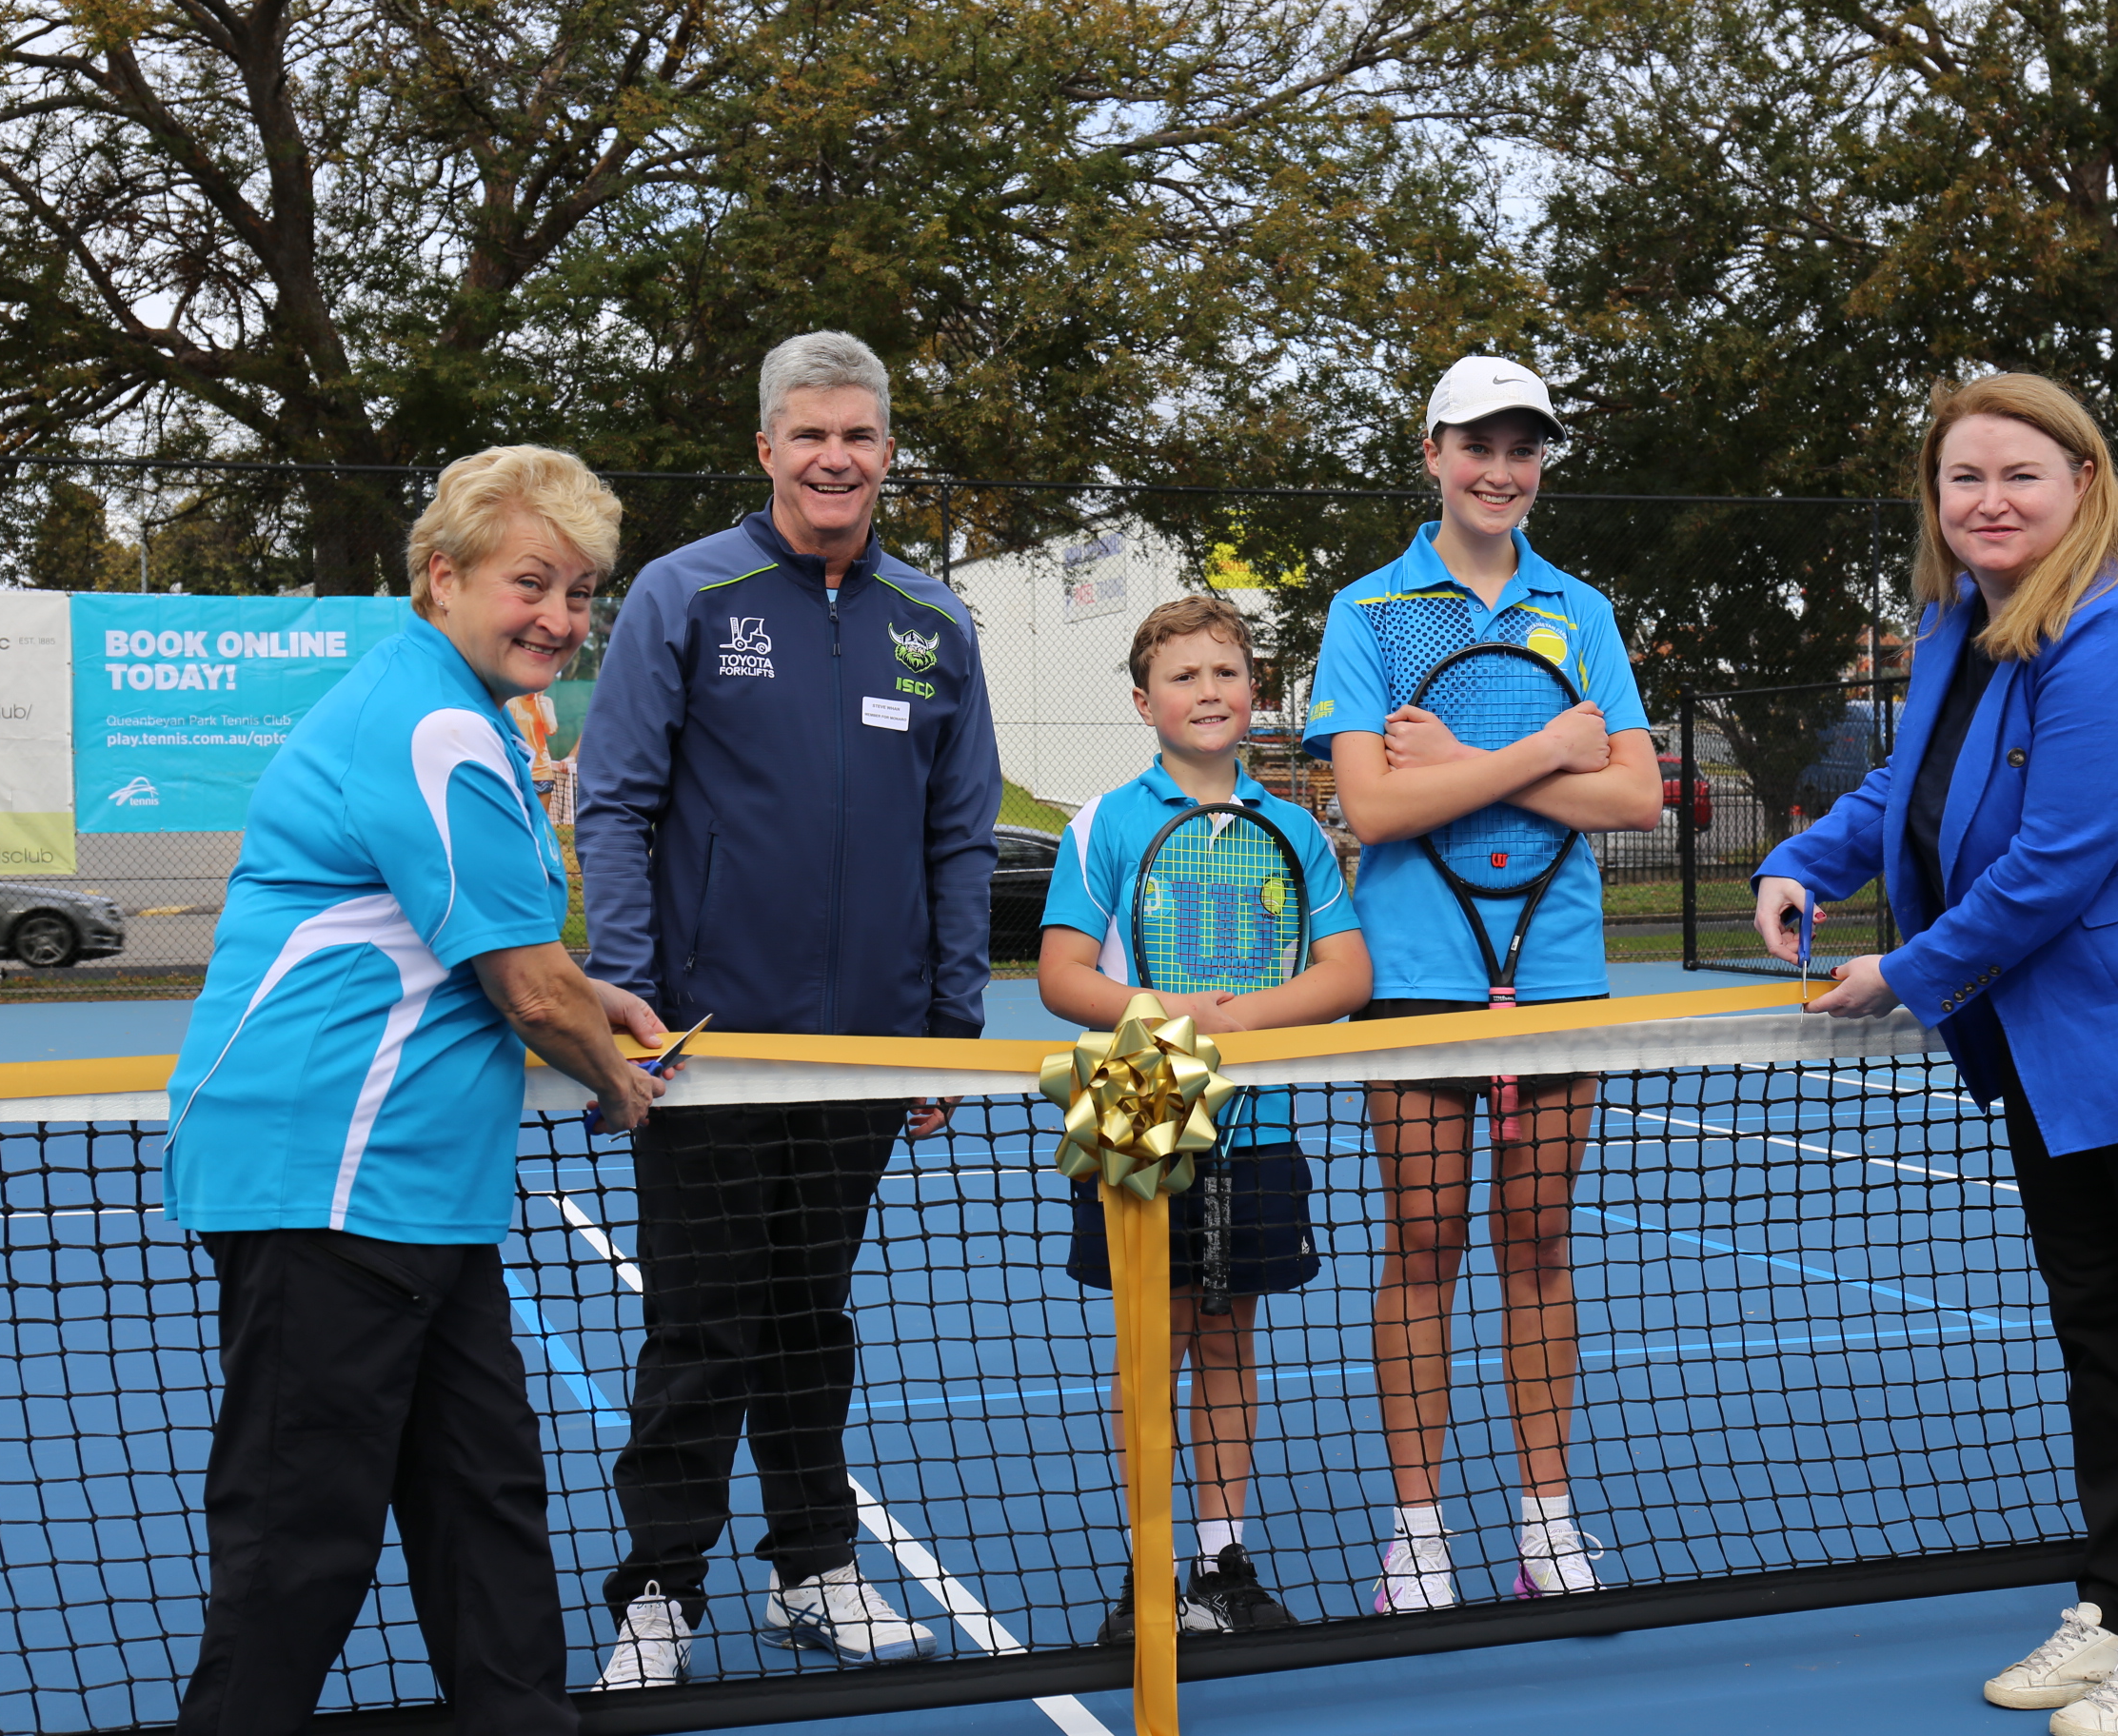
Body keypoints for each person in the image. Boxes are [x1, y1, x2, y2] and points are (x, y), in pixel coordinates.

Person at [1752, 374, 2118, 1736]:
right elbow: (1902, 788)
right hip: (2065, 1058)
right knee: (2106, 1342)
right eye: (1964, 479)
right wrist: (1804, 860)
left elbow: (2057, 863)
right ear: (1935, 500)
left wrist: (1899, 971)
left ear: (2085, 480)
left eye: (2021, 473)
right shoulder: (1960, 621)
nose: (1990, 501)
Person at [162, 446, 675, 1735]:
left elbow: (515, 955)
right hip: (331, 1179)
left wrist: (588, 1000)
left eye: (581, 591)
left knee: (480, 1492)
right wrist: (617, 1079)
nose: (561, 618)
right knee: (301, 1538)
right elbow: (527, 990)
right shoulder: (433, 718)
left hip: (417, 1197)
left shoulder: (452, 709)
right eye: (531, 583)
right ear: (441, 577)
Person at [575, 331, 1000, 1685]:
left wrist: (946, 1025)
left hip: (863, 1050)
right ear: (766, 448)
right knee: (701, 1323)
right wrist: (636, 995)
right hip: (703, 1050)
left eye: (859, 436)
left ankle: (814, 1567)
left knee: (814, 1315)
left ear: (887, 453)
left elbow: (960, 835)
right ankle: (661, 1590)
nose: (835, 458)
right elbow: (620, 800)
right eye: (809, 434)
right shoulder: (683, 594)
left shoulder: (935, 623)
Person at [1301, 356, 1662, 1611]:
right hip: (1410, 980)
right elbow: (1373, 805)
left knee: (1541, 1247)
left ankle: (1549, 1521)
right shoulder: (1368, 613)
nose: (1501, 471)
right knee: (1422, 1246)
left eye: (1524, 448)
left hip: (1555, 974)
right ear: (1433, 451)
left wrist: (1469, 760)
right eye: (1479, 446)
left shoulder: (1583, 611)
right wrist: (1539, 749)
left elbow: (1631, 794)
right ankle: (1418, 1530)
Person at [1037, 595, 1373, 1639]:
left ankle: (1222, 1562)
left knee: (1231, 1340)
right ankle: (1152, 1575)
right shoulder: (1105, 821)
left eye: (1226, 673)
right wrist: (1176, 1019)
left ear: (1256, 693)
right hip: (1140, 1103)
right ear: (1144, 702)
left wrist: (1247, 1020)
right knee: (1154, 1343)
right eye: (1183, 677)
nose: (1208, 691)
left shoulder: (1294, 828)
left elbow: (1349, 968)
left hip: (1257, 1120)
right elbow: (1061, 975)